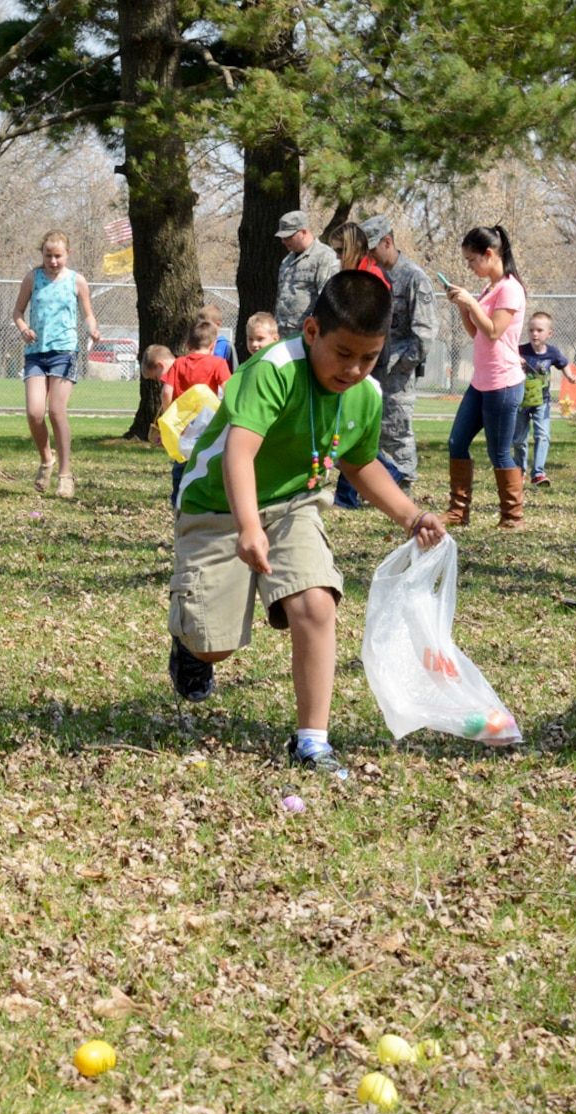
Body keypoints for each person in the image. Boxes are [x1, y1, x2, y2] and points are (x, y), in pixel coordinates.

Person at [167, 271, 446, 777]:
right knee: (215, 645)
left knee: (317, 603)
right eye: (344, 354)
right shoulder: (273, 368)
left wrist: (411, 515)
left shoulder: (366, 395)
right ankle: (190, 648)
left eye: (369, 357)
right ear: (313, 331)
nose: (355, 369)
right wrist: (248, 528)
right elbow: (239, 451)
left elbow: (360, 464)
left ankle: (311, 742)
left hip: (296, 503)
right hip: (219, 506)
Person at [441, 224, 527, 529]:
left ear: (489, 254)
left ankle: (512, 517)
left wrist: (472, 303)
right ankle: (458, 511)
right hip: (481, 382)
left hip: (503, 384)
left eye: (472, 260)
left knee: (499, 452)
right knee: (456, 441)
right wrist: (464, 308)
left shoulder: (510, 288)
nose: (470, 266)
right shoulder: (490, 287)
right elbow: (476, 332)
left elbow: (494, 331)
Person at [10, 230, 100, 498]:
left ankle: (65, 474)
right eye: (48, 255)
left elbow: (88, 315)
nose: (52, 261)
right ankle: (46, 459)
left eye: (58, 256)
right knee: (35, 412)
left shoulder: (77, 281)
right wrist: (24, 328)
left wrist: (93, 330)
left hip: (64, 353)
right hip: (36, 353)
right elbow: (17, 312)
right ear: (42, 255)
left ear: (67, 254)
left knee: (57, 411)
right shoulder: (32, 279)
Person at [363, 215, 437, 493]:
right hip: (375, 365)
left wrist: (403, 366)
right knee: (375, 429)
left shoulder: (413, 277)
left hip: (398, 370)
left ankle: (403, 487)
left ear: (387, 242)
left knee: (397, 429)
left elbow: (425, 333)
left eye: (373, 248)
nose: (369, 254)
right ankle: (379, 488)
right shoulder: (376, 276)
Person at [163, 317, 234, 500]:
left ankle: (178, 499)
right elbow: (228, 390)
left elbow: (166, 392)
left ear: (187, 345)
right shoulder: (218, 363)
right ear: (213, 346)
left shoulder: (179, 363)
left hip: (184, 424)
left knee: (182, 461)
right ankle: (204, 498)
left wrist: (170, 413)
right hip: (208, 423)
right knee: (207, 459)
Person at [514, 311, 576, 487]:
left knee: (543, 435)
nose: (535, 334)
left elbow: (563, 364)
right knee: (519, 439)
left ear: (549, 333)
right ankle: (519, 470)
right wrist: (515, 360)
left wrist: (570, 377)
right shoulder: (520, 350)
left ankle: (538, 474)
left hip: (542, 402)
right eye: (531, 330)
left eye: (540, 330)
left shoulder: (552, 353)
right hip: (521, 401)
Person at [272, 210, 340, 336]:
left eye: (289, 236)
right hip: (283, 333)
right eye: (283, 237)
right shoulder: (287, 261)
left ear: (303, 232)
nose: (284, 241)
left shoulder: (324, 257)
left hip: (307, 334)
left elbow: (327, 300)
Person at [327, 221, 388, 286]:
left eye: (340, 251)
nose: (337, 256)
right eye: (335, 251)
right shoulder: (349, 272)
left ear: (355, 248)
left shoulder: (373, 274)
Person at [202, 303, 237, 369]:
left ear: (217, 325)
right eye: (200, 324)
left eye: (206, 324)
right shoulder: (199, 344)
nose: (203, 328)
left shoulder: (227, 345)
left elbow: (234, 370)